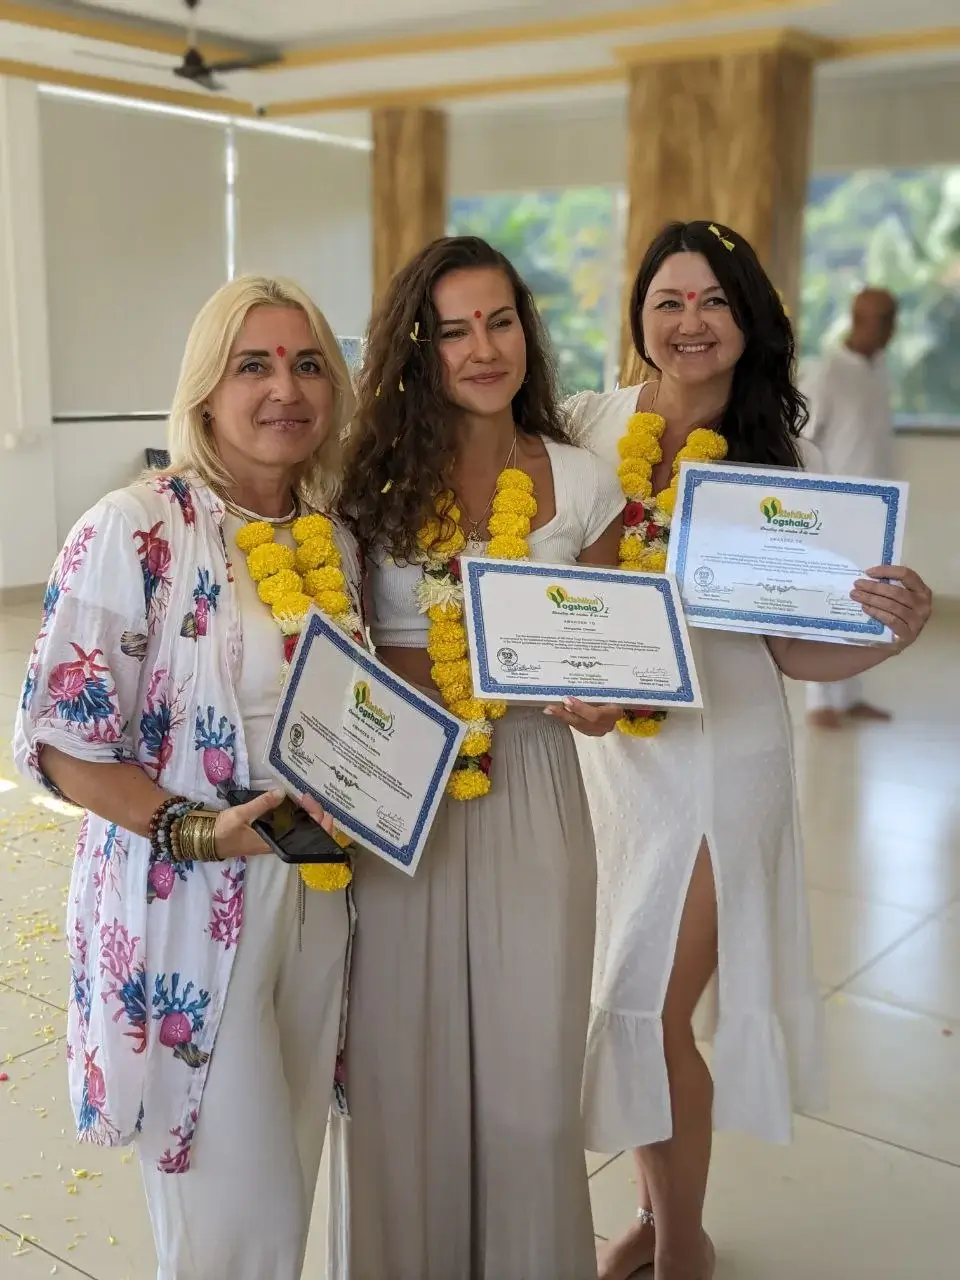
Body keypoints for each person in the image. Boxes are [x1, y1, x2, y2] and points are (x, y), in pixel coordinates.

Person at [565, 222, 932, 1280]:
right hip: (612, 761)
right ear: (639, 316)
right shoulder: (591, 423)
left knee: (651, 1003)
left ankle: (682, 1239)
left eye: (713, 301)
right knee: (617, 1003)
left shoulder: (787, 462)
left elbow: (790, 652)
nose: (690, 322)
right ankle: (653, 1207)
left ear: (747, 318)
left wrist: (883, 633)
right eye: (669, 300)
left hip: (724, 763)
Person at [13, 276, 364, 1280]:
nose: (283, 387)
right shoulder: (135, 527)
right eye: (252, 363)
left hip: (316, 893)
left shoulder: (330, 535)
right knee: (227, 1213)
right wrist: (202, 831)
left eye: (307, 364)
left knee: (287, 1174)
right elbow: (61, 739)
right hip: (189, 910)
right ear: (205, 391)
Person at [330, 235, 626, 1280]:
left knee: (533, 1087)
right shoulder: (363, 485)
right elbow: (346, 644)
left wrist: (600, 699)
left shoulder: (587, 480)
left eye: (499, 320)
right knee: (403, 1072)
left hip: (538, 785)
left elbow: (610, 651)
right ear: (421, 347)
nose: (482, 346)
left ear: (525, 332)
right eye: (454, 329)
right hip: (404, 789)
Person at [802, 287, 899, 727]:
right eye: (881, 319)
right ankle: (821, 702)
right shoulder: (826, 373)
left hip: (876, 512)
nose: (888, 329)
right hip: (833, 511)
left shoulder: (877, 370)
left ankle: (850, 696)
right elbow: (800, 439)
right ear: (858, 318)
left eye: (891, 318)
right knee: (829, 602)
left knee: (868, 603)